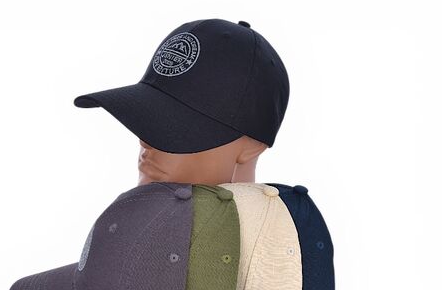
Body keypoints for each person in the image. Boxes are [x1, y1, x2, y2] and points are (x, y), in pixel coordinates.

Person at [73, 18, 289, 185]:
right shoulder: (129, 226)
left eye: (173, 128)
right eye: (144, 118)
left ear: (252, 146)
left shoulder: (281, 232)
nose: (144, 143)